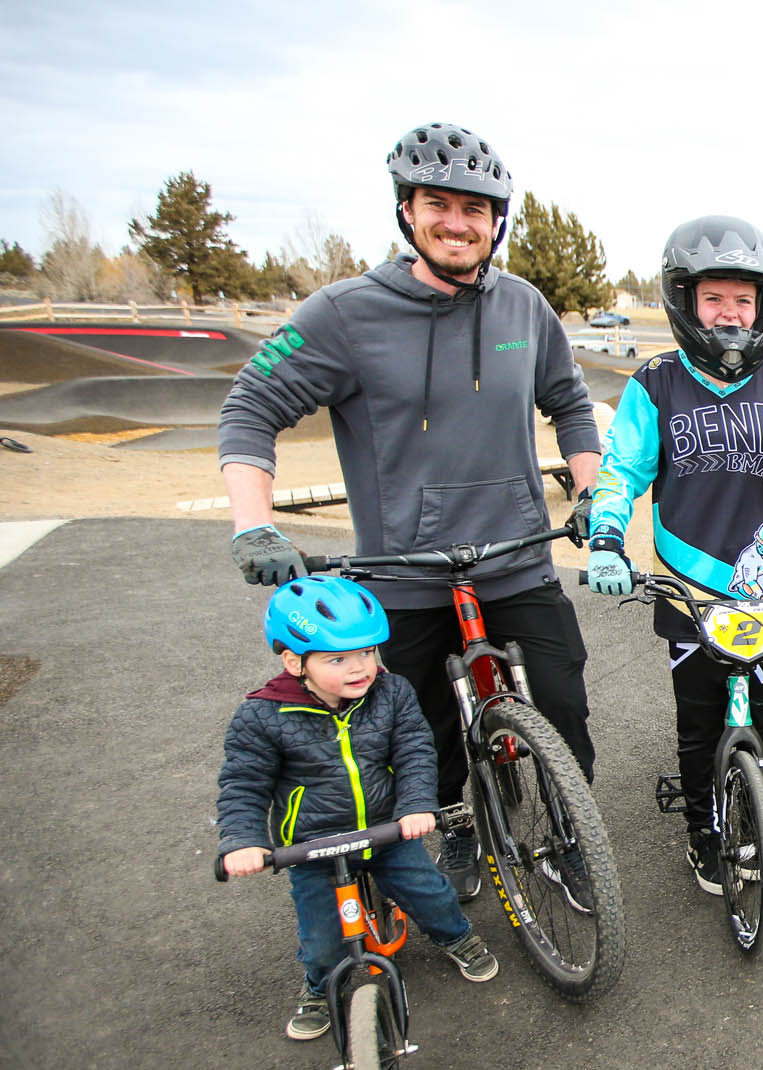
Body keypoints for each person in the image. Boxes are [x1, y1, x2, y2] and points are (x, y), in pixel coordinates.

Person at [217, 122, 604, 903]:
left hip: (518, 557)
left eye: (476, 208)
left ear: (497, 220)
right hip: (404, 574)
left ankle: (569, 833)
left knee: (562, 702)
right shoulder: (344, 314)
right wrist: (253, 522)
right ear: (406, 211)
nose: (458, 223)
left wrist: (595, 491)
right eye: (439, 204)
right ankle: (458, 827)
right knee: (423, 736)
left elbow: (568, 402)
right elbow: (250, 406)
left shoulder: (524, 307)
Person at [585, 214, 763, 893]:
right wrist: (605, 538)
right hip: (687, 588)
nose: (729, 313)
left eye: (743, 300)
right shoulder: (655, 381)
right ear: (685, 300)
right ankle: (702, 832)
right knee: (699, 722)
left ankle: (750, 807)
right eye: (714, 298)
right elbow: (621, 470)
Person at [218, 577, 498, 1042]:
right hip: (313, 846)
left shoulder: (391, 693)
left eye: (367, 653)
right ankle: (319, 986)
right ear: (293, 661)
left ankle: (457, 937)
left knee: (430, 893)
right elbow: (243, 784)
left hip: (386, 831)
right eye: (338, 659)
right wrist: (243, 841)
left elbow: (414, 751)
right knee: (322, 937)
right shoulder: (262, 717)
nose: (359, 668)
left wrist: (415, 806)